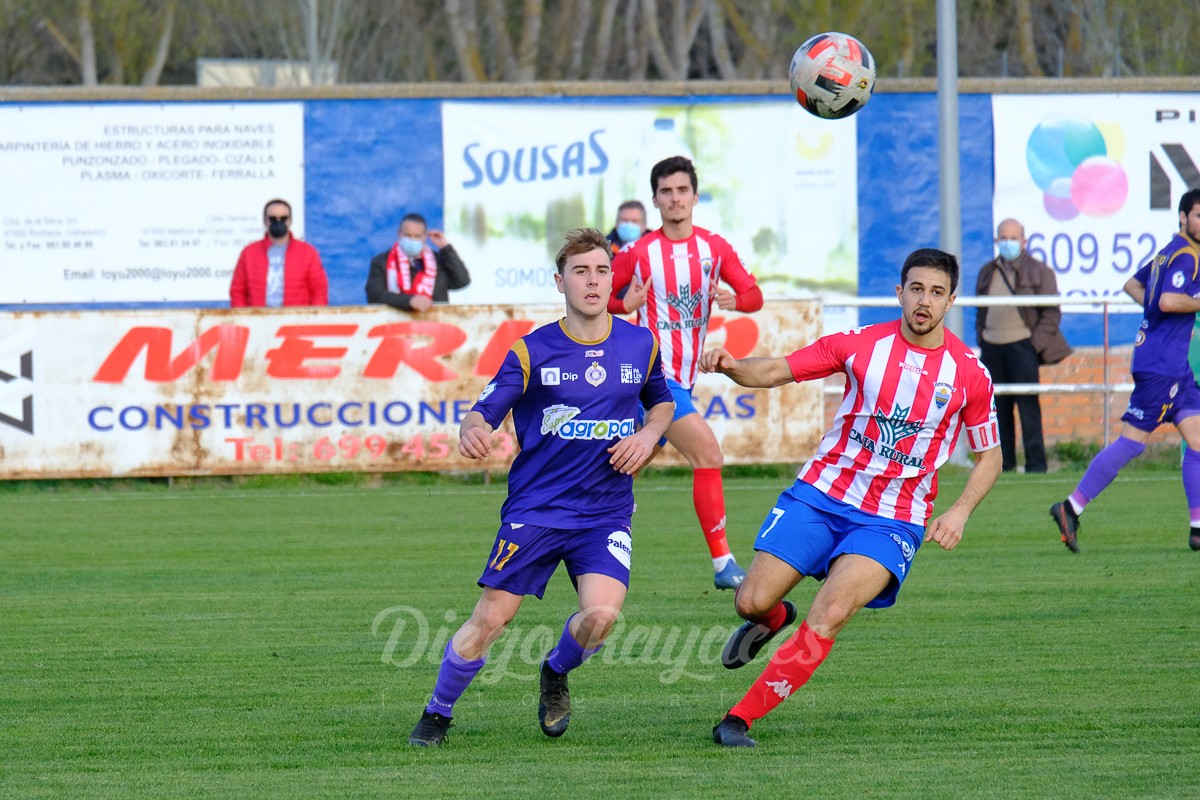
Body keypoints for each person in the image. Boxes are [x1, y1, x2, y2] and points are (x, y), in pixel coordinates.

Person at [704, 248, 1002, 748]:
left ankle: (738, 719)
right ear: (900, 292)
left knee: (832, 611)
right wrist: (733, 367)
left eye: (935, 292)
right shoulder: (860, 345)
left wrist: (960, 510)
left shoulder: (969, 372)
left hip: (893, 519)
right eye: (916, 289)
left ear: (952, 300)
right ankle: (773, 619)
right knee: (751, 600)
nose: (923, 301)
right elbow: (777, 370)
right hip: (822, 493)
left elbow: (989, 456)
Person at [406, 227, 674, 747]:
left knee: (600, 616)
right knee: (491, 619)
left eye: (601, 270)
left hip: (605, 511)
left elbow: (661, 399)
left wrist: (650, 431)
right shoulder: (532, 351)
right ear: (560, 282)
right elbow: (483, 411)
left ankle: (554, 671)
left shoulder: (641, 344)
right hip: (538, 509)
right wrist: (473, 429)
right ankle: (437, 713)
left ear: (611, 277)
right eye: (580, 272)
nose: (593, 282)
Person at [609, 155, 764, 591]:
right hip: (651, 377)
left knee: (622, 464)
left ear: (694, 197)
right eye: (666, 191)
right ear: (655, 200)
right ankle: (723, 564)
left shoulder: (713, 248)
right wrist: (626, 305)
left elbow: (754, 295)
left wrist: (737, 300)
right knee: (708, 455)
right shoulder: (639, 253)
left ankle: (572, 508)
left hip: (682, 377)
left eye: (682, 190)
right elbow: (599, 294)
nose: (675, 199)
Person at [1050, 188, 1200, 554]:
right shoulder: (1186, 256)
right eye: (1198, 214)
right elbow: (1166, 300)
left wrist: (1155, 317)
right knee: (1132, 443)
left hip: (1173, 366)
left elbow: (1134, 285)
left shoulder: (1170, 251)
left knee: (1198, 440)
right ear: (1183, 217)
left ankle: (1198, 528)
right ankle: (1070, 507)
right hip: (1161, 366)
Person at [975, 217, 1072, 473]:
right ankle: (1003, 467)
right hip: (992, 348)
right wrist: (982, 338)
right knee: (998, 411)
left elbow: (1051, 314)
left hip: (1023, 347)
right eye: (1003, 238)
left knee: (1029, 409)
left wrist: (1033, 345)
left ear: (1024, 241)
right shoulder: (987, 271)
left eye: (1013, 238)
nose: (1008, 243)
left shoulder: (1040, 271)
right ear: (996, 241)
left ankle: (1036, 466)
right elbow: (979, 311)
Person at [229, 199, 328, 307]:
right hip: (257, 320)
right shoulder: (249, 253)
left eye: (283, 218)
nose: (278, 222)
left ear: (290, 221)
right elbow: (237, 291)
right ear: (265, 221)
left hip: (296, 322)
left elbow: (319, 292)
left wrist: (312, 320)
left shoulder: (308, 253)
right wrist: (245, 319)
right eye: (272, 218)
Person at [365, 213, 471, 312]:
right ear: (399, 234)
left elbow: (462, 281)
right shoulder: (382, 261)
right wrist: (409, 301)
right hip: (395, 327)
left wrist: (445, 248)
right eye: (407, 235)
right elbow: (374, 295)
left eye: (417, 236)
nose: (412, 239)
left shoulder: (439, 261)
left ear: (425, 236)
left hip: (435, 326)